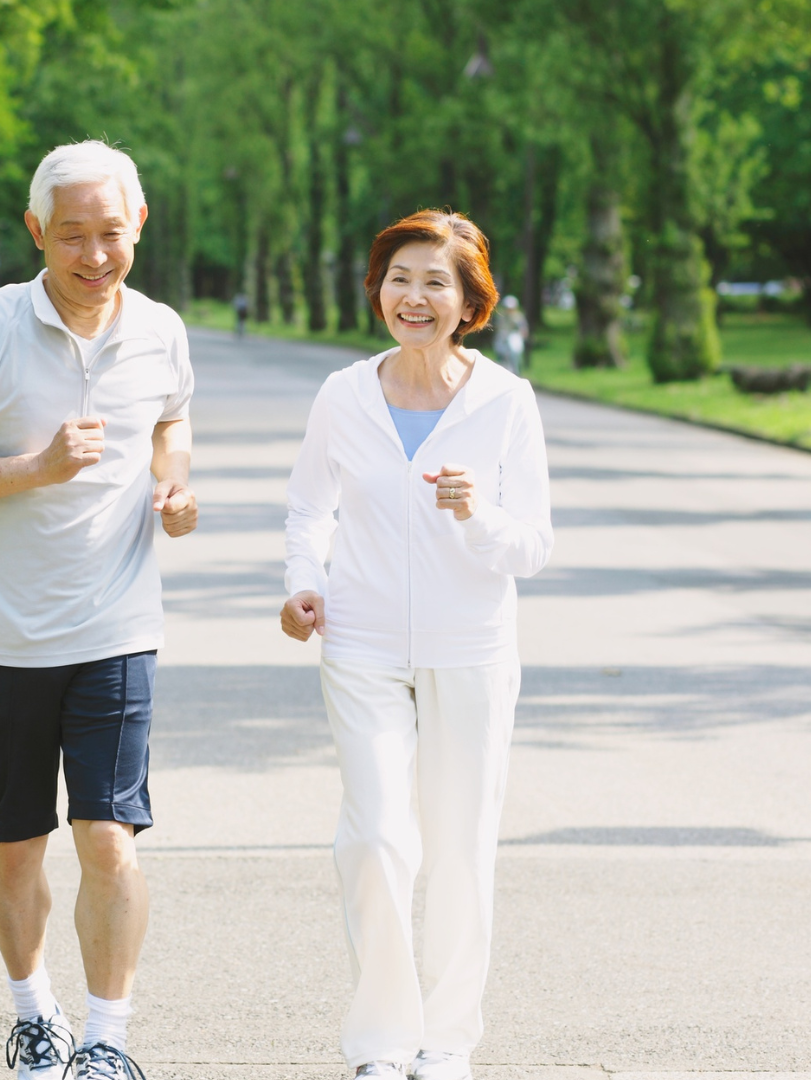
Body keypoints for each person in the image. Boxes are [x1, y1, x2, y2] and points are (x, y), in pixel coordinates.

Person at [0, 140, 198, 1080]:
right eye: (72, 235)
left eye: (111, 232)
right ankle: (37, 1016)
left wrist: (173, 484)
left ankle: (107, 1042)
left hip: (118, 629)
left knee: (109, 840)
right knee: (16, 848)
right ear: (36, 231)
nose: (94, 255)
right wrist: (36, 468)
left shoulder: (161, 330)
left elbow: (170, 420)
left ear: (138, 223)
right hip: (4, 637)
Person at [278, 210, 553, 1080]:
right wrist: (303, 582)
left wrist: (479, 516)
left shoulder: (504, 401)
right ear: (378, 290)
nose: (414, 297)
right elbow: (308, 508)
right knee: (373, 839)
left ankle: (447, 1042)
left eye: (437, 282)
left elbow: (532, 547)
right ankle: (381, 1043)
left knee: (461, 847)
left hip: (469, 648)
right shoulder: (344, 394)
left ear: (470, 302)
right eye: (399, 278)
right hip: (359, 643)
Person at [489, 295, 526, 374]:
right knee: (501, 359)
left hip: (513, 341)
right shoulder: (500, 317)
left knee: (514, 358)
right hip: (502, 341)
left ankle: (515, 373)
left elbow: (523, 330)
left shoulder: (518, 317)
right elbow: (497, 328)